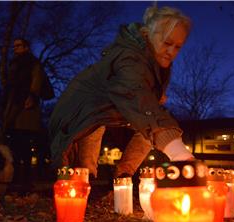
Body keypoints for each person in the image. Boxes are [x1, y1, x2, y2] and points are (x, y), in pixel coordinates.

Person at [48, 6, 193, 178]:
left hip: (112, 110)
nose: (172, 52)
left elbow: (148, 110)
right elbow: (137, 98)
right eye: (167, 43)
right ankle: (85, 180)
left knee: (149, 127)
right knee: (92, 137)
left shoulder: (158, 64)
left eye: (178, 47)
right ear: (148, 34)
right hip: (79, 113)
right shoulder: (128, 59)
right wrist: (179, 153)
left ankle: (123, 178)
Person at [0, 38, 54, 183]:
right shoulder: (14, 64)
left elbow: (36, 80)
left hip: (26, 107)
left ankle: (26, 179)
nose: (15, 48)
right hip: (14, 105)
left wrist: (32, 96)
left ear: (26, 47)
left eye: (18, 46)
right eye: (14, 46)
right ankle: (16, 177)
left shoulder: (32, 63)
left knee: (24, 142)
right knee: (15, 143)